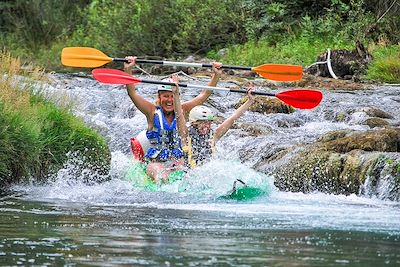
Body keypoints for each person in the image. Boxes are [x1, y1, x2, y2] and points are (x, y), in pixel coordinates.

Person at [123, 56, 222, 182]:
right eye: (165, 96)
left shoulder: (182, 111)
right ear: (159, 97)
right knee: (162, 178)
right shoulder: (151, 111)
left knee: (189, 177)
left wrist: (216, 76)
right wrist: (128, 70)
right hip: (156, 162)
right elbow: (133, 93)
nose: (169, 100)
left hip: (178, 161)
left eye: (172, 96)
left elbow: (204, 95)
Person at [172, 79, 255, 168]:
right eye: (203, 123)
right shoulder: (185, 134)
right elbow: (179, 115)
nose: (207, 126)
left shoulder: (213, 136)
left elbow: (233, 118)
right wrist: (176, 94)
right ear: (194, 123)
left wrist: (249, 101)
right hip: (189, 173)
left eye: (209, 123)